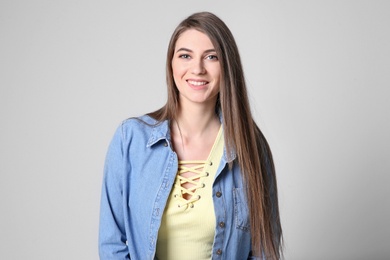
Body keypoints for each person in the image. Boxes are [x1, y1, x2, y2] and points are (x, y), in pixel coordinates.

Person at [99, 12, 283, 260]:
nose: (197, 68)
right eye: (185, 55)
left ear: (227, 66)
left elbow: (264, 251)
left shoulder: (250, 146)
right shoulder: (130, 140)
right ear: (171, 64)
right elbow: (112, 244)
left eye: (211, 57)